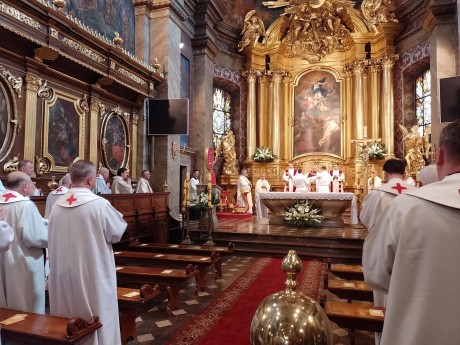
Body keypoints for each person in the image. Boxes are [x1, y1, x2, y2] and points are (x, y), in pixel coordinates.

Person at [362, 120, 460, 345]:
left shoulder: (407, 207)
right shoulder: (409, 200)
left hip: (419, 329)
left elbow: (375, 271)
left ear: (440, 156)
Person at [48, 160, 127, 345]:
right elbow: (116, 233)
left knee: (66, 317)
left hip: (62, 276)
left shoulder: (57, 204)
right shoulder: (99, 204)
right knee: (97, 312)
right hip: (92, 273)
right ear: (91, 179)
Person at [0, 171, 48, 313]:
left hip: (3, 261)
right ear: (24, 187)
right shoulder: (25, 205)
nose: (34, 185)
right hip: (23, 261)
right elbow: (35, 237)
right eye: (32, 183)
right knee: (25, 305)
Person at [360, 159, 415, 231]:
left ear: (385, 174)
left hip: (384, 239)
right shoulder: (416, 192)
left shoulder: (377, 193)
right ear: (404, 175)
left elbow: (365, 217)